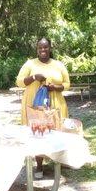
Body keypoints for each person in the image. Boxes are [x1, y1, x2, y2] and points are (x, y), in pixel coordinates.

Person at [16, 37, 70, 178]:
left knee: (56, 131)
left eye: (45, 47)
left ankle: (58, 162)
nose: (43, 50)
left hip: (55, 102)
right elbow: (19, 82)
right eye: (40, 47)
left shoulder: (58, 64)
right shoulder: (30, 64)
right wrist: (34, 77)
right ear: (37, 49)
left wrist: (54, 87)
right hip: (35, 103)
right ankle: (39, 166)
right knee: (38, 132)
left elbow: (67, 83)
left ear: (50, 48)